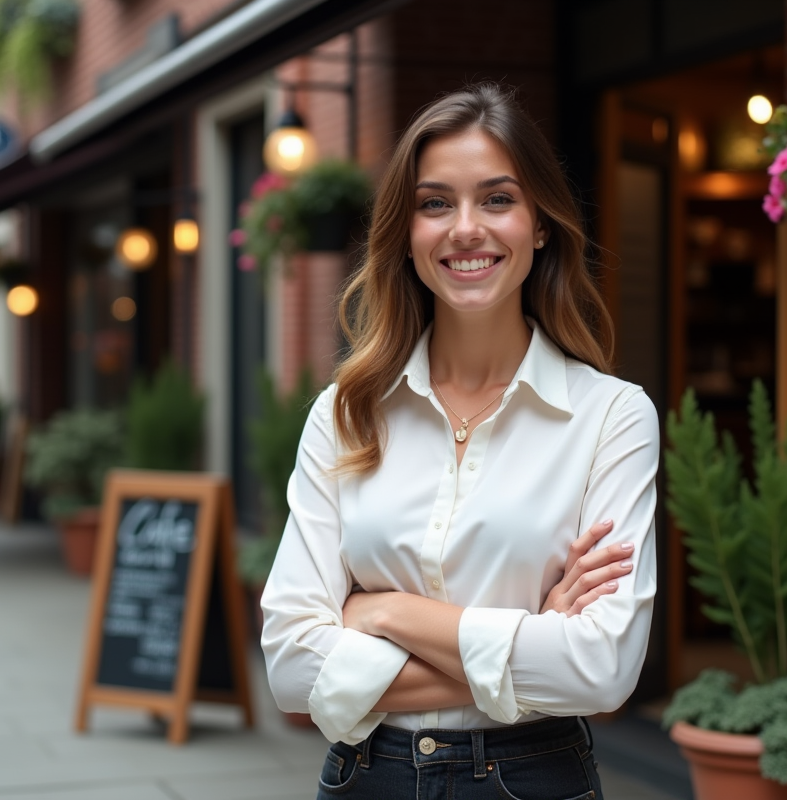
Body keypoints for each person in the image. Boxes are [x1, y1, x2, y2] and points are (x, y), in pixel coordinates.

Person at [261, 84, 659, 799]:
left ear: (540, 225)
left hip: (532, 778)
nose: (465, 228)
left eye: (498, 199)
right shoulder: (345, 413)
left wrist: (382, 613)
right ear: (406, 233)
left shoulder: (612, 418)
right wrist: (531, 637)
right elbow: (291, 668)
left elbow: (601, 671)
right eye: (435, 203)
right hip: (363, 779)